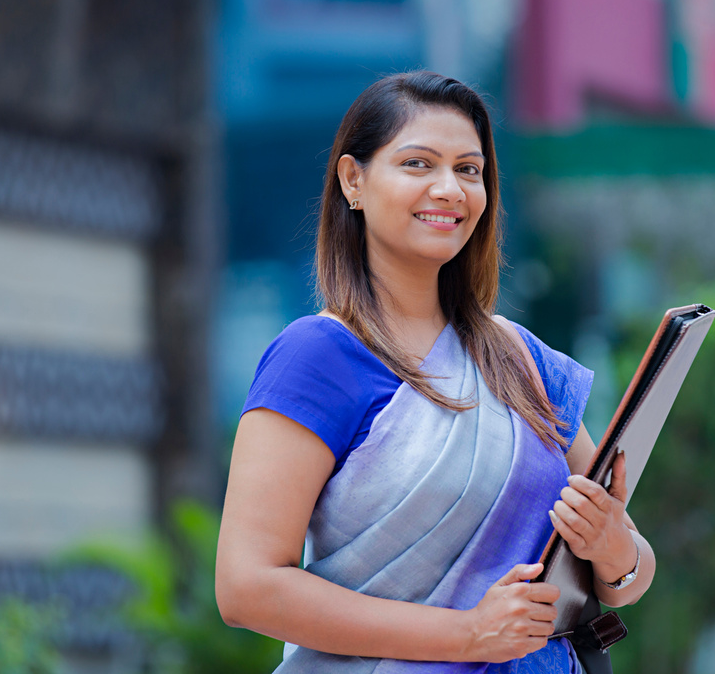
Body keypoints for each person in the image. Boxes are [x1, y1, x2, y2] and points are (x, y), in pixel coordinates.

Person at [215, 71, 655, 672]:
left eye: (469, 170)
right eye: (418, 164)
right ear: (354, 181)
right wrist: (467, 635)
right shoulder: (317, 359)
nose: (449, 189)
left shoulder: (520, 358)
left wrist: (612, 548)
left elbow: (630, 573)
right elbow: (247, 587)